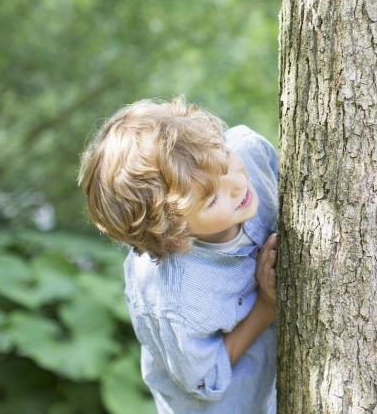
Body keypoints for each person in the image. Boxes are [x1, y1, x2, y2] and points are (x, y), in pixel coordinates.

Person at [79, 96, 279, 413]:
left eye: (223, 158)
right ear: (173, 232)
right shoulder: (178, 299)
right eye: (212, 199)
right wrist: (267, 306)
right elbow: (205, 379)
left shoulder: (249, 153)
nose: (238, 184)